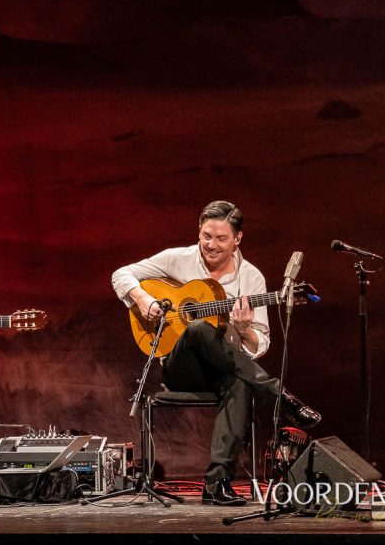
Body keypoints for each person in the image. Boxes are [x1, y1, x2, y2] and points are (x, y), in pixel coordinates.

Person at [111, 200, 321, 506]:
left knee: (239, 382)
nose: (211, 244)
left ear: (238, 239)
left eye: (221, 238)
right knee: (197, 328)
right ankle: (278, 394)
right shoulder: (176, 259)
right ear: (198, 231)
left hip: (225, 369)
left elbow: (259, 344)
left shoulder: (252, 278)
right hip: (181, 369)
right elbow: (121, 274)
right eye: (206, 235)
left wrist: (246, 330)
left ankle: (216, 483)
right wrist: (142, 299)